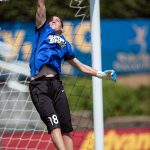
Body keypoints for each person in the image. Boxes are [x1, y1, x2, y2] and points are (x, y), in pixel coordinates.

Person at [29, 0, 116, 149]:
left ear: (62, 28)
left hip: (56, 85)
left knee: (66, 129)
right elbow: (41, 8)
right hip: (39, 85)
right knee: (54, 125)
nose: (52, 22)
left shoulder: (65, 45)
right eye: (50, 20)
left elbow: (81, 66)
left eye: (56, 21)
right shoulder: (43, 31)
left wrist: (101, 74)